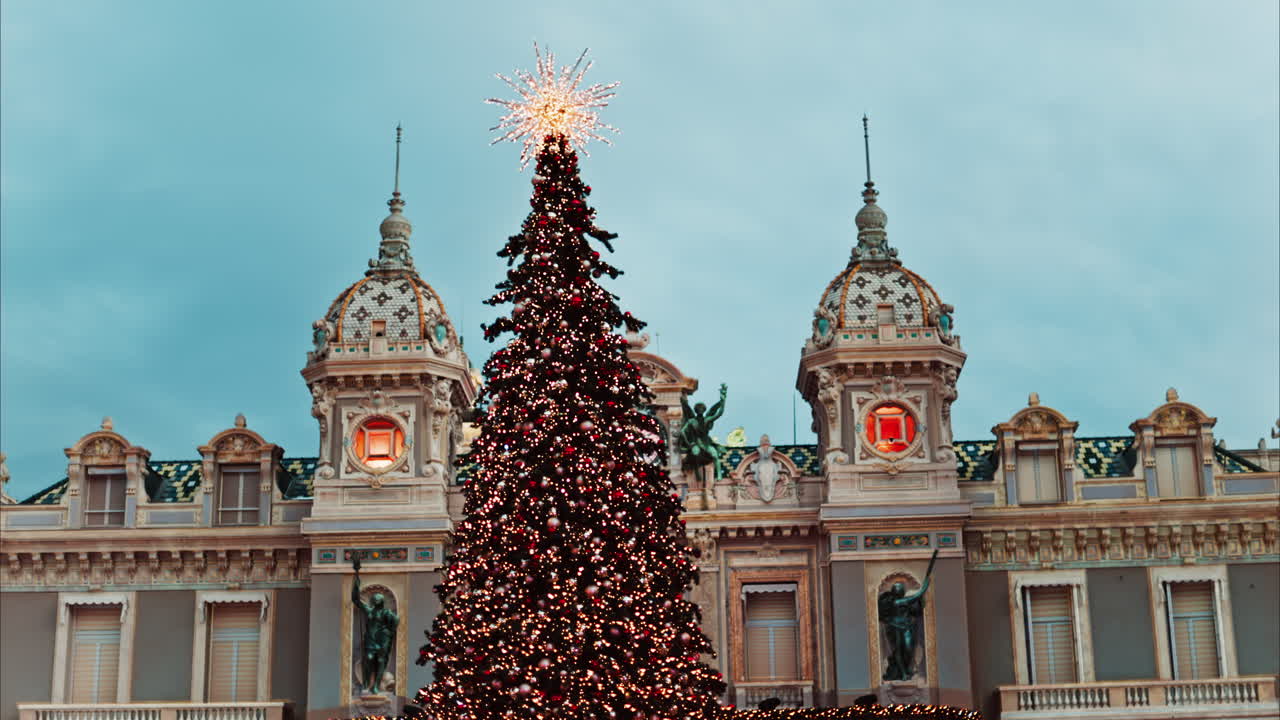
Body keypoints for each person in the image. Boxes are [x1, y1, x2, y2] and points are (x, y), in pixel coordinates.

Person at [878, 548, 938, 681]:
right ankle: (903, 672)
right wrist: (925, 585)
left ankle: (906, 670)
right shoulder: (898, 601)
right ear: (895, 591)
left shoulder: (904, 601)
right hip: (894, 627)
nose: (900, 589)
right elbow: (918, 594)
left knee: (909, 649)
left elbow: (916, 602)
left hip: (907, 626)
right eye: (898, 588)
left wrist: (923, 590)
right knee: (898, 650)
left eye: (901, 588)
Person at [351, 557, 399, 694]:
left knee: (380, 662)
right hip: (370, 640)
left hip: (382, 640)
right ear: (372, 601)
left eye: (379, 599)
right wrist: (356, 575)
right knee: (369, 659)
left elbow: (394, 622)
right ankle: (366, 684)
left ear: (382, 602)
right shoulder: (369, 611)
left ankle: (376, 685)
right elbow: (355, 599)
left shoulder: (387, 612)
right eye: (375, 599)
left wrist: (388, 633)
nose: (377, 600)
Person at [678, 384, 728, 480]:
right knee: (695, 453)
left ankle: (719, 475)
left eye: (702, 409)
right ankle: (697, 473)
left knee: (715, 454)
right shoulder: (691, 421)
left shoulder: (707, 420)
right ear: (696, 410)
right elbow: (683, 432)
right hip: (696, 443)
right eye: (698, 409)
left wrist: (723, 400)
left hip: (706, 443)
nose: (700, 410)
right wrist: (689, 444)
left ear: (704, 410)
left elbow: (719, 413)